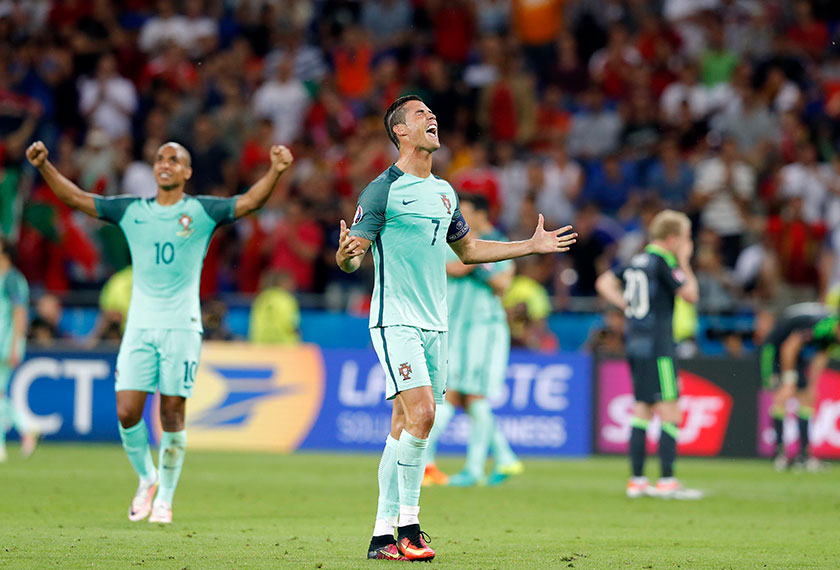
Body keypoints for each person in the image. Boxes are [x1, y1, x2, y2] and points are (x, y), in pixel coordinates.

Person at [335, 95, 576, 562]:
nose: (432, 118)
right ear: (400, 132)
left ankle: (381, 536)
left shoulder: (446, 193)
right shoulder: (382, 189)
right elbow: (352, 256)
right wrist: (345, 254)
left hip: (435, 324)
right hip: (395, 319)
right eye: (421, 115)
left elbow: (468, 251)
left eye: (433, 113)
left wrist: (529, 245)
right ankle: (410, 526)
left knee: (404, 426)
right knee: (424, 414)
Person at [25, 139, 293, 523]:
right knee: (127, 411)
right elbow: (79, 200)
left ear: (187, 172)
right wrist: (45, 166)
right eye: (160, 159)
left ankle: (165, 498)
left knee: (171, 412)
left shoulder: (201, 210)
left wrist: (276, 171)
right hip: (139, 327)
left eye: (175, 159)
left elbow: (249, 202)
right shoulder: (132, 210)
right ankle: (147, 478)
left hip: (182, 327)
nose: (165, 164)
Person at [595, 209, 701, 499]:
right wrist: (685, 262)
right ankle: (667, 481)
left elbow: (603, 282)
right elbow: (691, 294)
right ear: (673, 238)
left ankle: (637, 481)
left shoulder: (636, 260)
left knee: (642, 408)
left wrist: (627, 307)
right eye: (686, 237)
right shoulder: (664, 261)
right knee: (670, 409)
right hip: (659, 345)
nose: (688, 243)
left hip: (636, 343)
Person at [423, 193, 522, 487]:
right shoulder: (450, 240)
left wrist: (476, 263)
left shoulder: (496, 243)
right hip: (455, 327)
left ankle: (462, 467)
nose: (458, 218)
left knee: (464, 394)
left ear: (480, 215)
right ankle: (503, 458)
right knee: (462, 395)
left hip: (483, 329)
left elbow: (502, 282)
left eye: (464, 212)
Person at [759, 302, 839, 472]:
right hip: (775, 349)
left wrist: (813, 385)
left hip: (797, 354)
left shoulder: (834, 336)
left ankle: (804, 456)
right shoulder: (822, 327)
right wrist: (788, 379)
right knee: (782, 395)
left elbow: (821, 357)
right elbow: (789, 346)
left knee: (806, 398)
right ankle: (779, 454)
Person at [0, 237, 37, 461]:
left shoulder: (13, 279)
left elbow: (20, 313)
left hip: (6, 344)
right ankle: (25, 429)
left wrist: (15, 345)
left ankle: (24, 429)